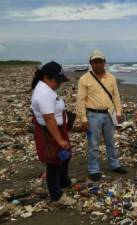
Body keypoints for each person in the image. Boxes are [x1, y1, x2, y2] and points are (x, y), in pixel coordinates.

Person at [76, 50, 127, 182]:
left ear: (104, 63)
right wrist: (83, 118)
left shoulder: (111, 77)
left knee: (111, 142)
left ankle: (114, 165)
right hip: (93, 115)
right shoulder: (84, 79)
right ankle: (94, 169)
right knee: (93, 144)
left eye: (100, 61)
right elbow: (80, 99)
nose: (98, 64)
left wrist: (119, 111)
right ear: (91, 63)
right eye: (95, 62)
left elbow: (116, 95)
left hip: (109, 114)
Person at [31, 61, 76, 205]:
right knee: (54, 163)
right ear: (46, 77)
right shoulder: (43, 92)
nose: (59, 84)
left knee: (66, 155)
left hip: (58, 129)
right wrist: (59, 139)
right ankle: (56, 196)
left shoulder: (47, 88)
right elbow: (49, 118)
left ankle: (64, 181)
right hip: (50, 132)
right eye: (57, 80)